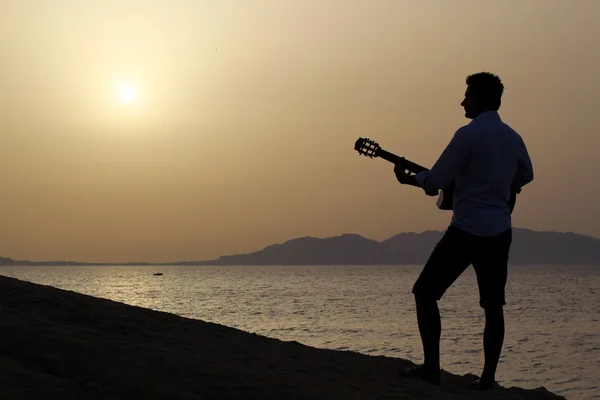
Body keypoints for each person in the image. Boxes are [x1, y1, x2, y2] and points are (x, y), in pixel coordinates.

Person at [393, 72, 534, 390]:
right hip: (499, 231)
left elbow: (435, 180)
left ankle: (432, 368)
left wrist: (408, 179)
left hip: (466, 230)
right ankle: (487, 379)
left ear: (483, 99)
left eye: (468, 95)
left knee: (425, 292)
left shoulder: (467, 135)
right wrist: (505, 188)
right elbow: (526, 175)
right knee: (493, 306)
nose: (463, 101)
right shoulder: (513, 138)